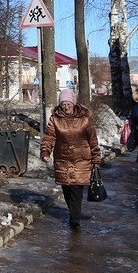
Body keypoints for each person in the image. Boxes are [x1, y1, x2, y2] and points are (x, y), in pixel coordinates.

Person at [41, 89, 101, 231]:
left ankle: (75, 220)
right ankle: (73, 214)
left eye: (68, 104)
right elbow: (49, 137)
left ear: (73, 103)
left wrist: (96, 157)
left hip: (81, 160)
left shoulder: (85, 119)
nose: (66, 107)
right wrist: (45, 151)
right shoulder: (55, 119)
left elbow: (93, 140)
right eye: (63, 104)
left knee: (76, 189)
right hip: (62, 160)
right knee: (67, 189)